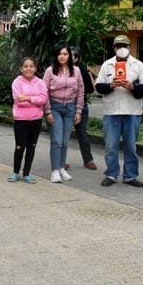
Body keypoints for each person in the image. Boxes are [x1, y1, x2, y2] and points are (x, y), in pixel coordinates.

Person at [95, 35, 143, 188]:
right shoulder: (107, 65)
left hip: (132, 111)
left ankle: (130, 175)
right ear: (113, 48)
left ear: (129, 47)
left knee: (131, 147)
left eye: (124, 45)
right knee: (110, 146)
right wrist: (110, 86)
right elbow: (98, 87)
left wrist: (132, 87)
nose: (121, 49)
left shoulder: (138, 65)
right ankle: (111, 174)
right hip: (112, 111)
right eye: (118, 46)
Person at [43, 44, 84, 183]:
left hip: (71, 107)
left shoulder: (76, 71)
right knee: (56, 140)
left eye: (65, 54)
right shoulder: (50, 71)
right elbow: (44, 91)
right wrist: (47, 111)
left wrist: (79, 110)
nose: (62, 56)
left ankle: (61, 167)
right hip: (55, 106)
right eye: (59, 54)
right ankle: (55, 169)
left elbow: (81, 91)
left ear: (70, 56)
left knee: (65, 140)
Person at [9, 57, 48, 184]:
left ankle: (27, 173)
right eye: (25, 66)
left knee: (32, 146)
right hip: (21, 119)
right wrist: (34, 100)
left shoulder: (40, 83)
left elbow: (43, 99)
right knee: (20, 147)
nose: (28, 69)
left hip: (36, 119)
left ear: (35, 68)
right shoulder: (17, 82)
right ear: (21, 68)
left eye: (31, 66)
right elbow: (17, 100)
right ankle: (16, 172)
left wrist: (27, 98)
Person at [66, 46, 97, 171]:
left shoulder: (82, 72)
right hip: (65, 106)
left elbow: (89, 89)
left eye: (71, 55)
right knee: (63, 135)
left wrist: (89, 77)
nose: (66, 57)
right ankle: (60, 160)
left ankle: (88, 160)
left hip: (81, 106)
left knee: (82, 134)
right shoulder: (59, 71)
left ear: (76, 58)